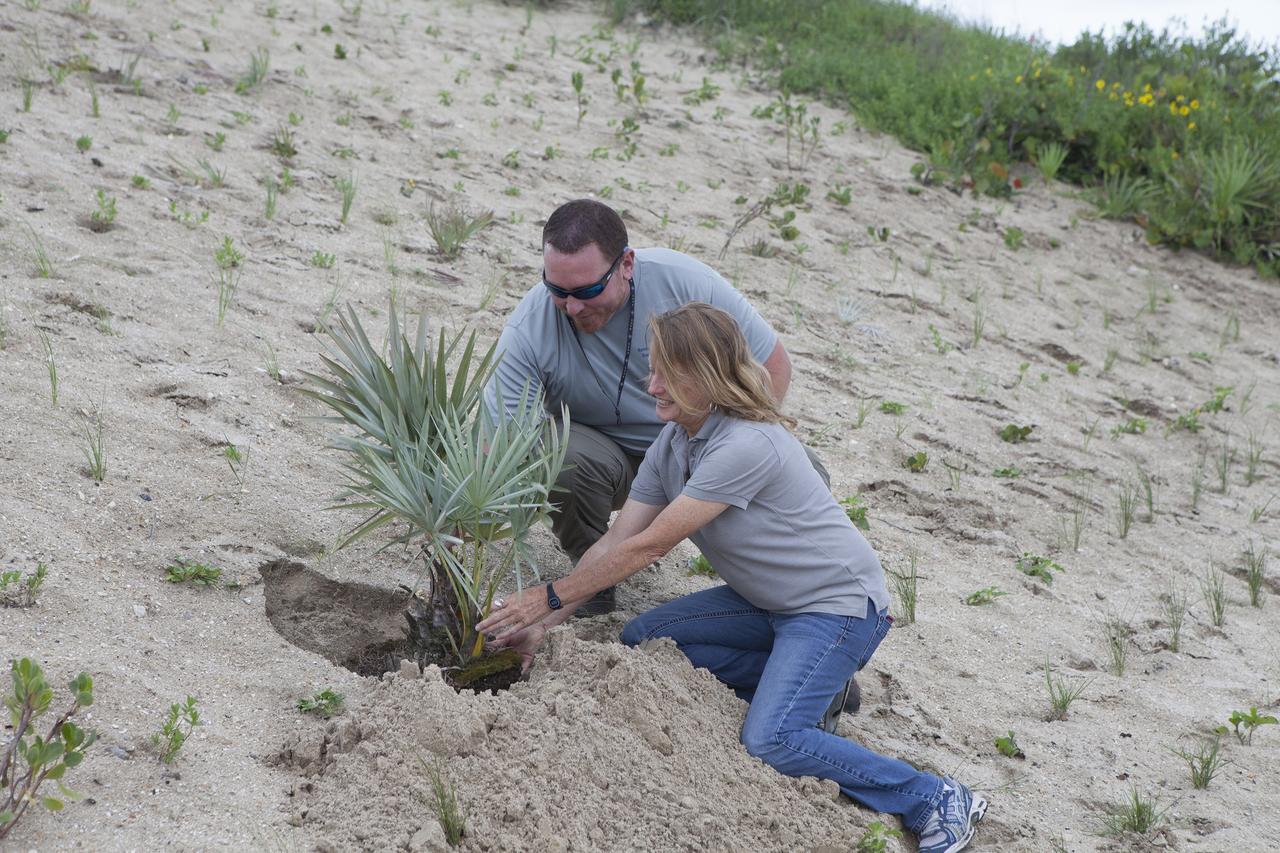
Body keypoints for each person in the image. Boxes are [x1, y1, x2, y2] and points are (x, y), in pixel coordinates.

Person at [477, 304, 987, 853]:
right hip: (768, 606)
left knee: (773, 740)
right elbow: (614, 541)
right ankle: (815, 685)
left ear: (708, 376)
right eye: (652, 370)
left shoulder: (747, 443)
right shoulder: (673, 444)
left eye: (667, 375)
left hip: (838, 611)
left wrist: (543, 596)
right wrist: (545, 623)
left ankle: (934, 796)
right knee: (643, 640)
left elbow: (650, 547)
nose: (651, 386)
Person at [483, 199, 826, 617]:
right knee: (557, 451)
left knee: (804, 469)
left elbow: (773, 365)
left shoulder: (684, 282)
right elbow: (498, 442)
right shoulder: (529, 326)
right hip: (607, 461)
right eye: (558, 291)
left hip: (698, 448)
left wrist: (731, 452)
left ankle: (776, 603)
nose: (572, 307)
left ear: (627, 263)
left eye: (588, 291)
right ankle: (589, 586)